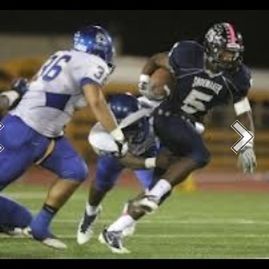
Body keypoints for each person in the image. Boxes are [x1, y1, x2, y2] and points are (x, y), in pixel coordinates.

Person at [98, 22, 257, 254]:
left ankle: (114, 230)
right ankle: (151, 194)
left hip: (187, 125)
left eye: (234, 53)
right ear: (211, 47)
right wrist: (144, 80)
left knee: (163, 188)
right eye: (225, 52)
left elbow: (243, 113)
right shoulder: (188, 54)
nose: (230, 58)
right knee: (200, 155)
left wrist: (245, 145)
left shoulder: (237, 77)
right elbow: (156, 59)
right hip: (166, 114)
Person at [0, 25, 128, 249]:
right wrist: (117, 134)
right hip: (23, 131)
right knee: (16, 213)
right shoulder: (93, 62)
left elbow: (37, 87)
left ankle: (39, 227)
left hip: (47, 135)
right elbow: (95, 101)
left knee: (75, 170)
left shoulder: (60, 55)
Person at [76, 93, 164, 245]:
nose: (131, 128)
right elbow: (129, 161)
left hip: (146, 150)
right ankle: (90, 214)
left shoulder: (151, 110)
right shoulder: (100, 136)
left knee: (159, 190)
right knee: (100, 186)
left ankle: (130, 210)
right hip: (123, 156)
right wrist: (155, 161)